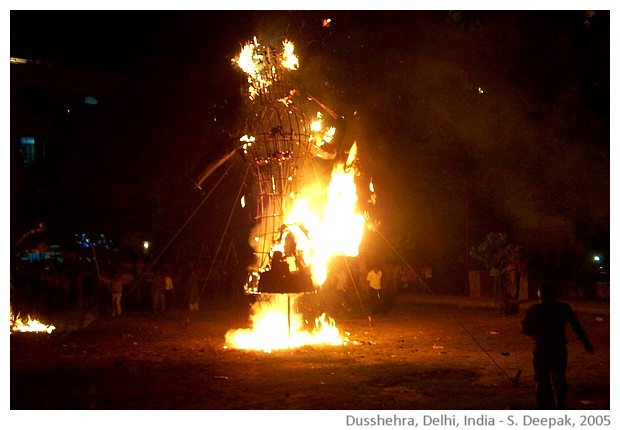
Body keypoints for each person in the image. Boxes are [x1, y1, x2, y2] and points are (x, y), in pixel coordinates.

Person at [521, 281, 594, 409]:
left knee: (542, 380)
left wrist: (528, 329)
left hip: (542, 347)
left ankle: (544, 407)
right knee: (559, 377)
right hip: (558, 346)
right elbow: (576, 325)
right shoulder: (563, 307)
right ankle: (559, 404)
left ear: (539, 293)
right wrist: (586, 342)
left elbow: (526, 330)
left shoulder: (534, 309)